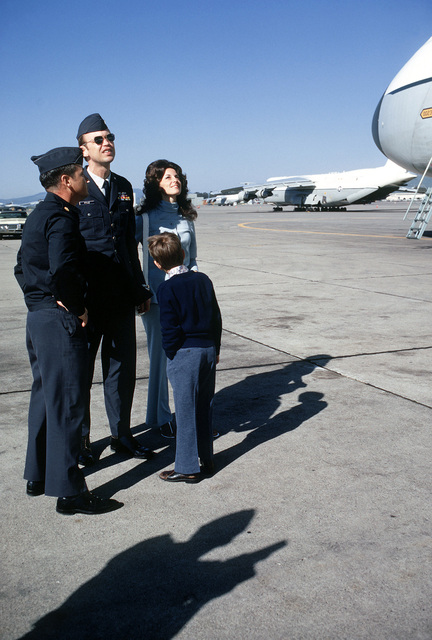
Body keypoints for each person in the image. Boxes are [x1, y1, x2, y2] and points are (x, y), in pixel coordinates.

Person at [14, 146, 122, 514]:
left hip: (39, 318)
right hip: (59, 322)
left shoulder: (38, 215)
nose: (83, 176)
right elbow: (64, 270)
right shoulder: (61, 218)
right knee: (68, 405)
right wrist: (75, 308)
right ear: (66, 180)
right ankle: (69, 493)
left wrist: (39, 299)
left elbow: (21, 267)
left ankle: (38, 475)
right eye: (79, 172)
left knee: (45, 400)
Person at [76, 113, 153, 464]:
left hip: (121, 295)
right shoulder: (74, 185)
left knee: (121, 370)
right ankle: (81, 442)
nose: (107, 143)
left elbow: (127, 244)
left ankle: (123, 435)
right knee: (80, 372)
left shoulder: (123, 185)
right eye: (98, 140)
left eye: (110, 138)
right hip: (88, 299)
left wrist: (139, 288)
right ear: (84, 149)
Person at [147, 232, 222, 482]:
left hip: (185, 353)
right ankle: (206, 458)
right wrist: (216, 347)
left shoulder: (166, 288)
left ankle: (187, 467)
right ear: (182, 254)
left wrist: (171, 354)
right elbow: (216, 317)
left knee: (185, 410)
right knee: (204, 406)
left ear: (157, 264)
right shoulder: (203, 279)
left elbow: (169, 328)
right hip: (208, 349)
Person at [135, 160, 198, 438]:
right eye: (168, 176)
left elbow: (193, 259)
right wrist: (141, 290)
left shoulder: (186, 216)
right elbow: (129, 256)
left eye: (177, 176)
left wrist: (197, 292)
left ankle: (189, 417)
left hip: (186, 298)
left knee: (188, 359)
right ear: (155, 183)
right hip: (157, 300)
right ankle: (160, 418)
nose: (176, 180)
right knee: (160, 361)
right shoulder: (145, 218)